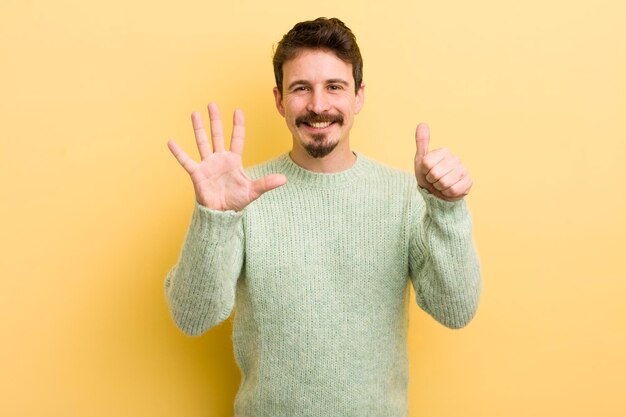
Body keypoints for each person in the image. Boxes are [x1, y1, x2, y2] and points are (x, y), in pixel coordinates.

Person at [165, 17, 481, 417]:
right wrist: (213, 217)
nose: (318, 105)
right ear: (280, 100)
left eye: (334, 87)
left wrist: (447, 210)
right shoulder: (242, 194)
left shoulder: (405, 196)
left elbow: (455, 310)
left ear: (358, 96)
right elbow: (193, 317)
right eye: (301, 88)